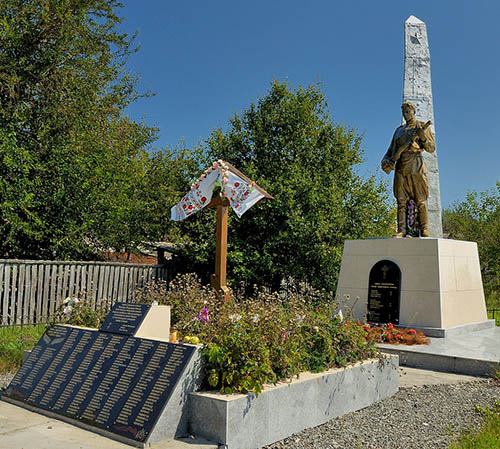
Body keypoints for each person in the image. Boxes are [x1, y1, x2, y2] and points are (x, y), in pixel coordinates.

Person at [381, 101, 436, 237]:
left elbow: (431, 148)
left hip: (416, 167)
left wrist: (422, 138)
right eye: (403, 112)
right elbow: (391, 150)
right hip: (401, 169)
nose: (405, 115)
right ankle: (401, 230)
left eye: (408, 111)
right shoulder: (399, 130)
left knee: (421, 200)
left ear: (413, 111)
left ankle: (424, 228)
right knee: (401, 201)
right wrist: (386, 161)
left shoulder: (422, 126)